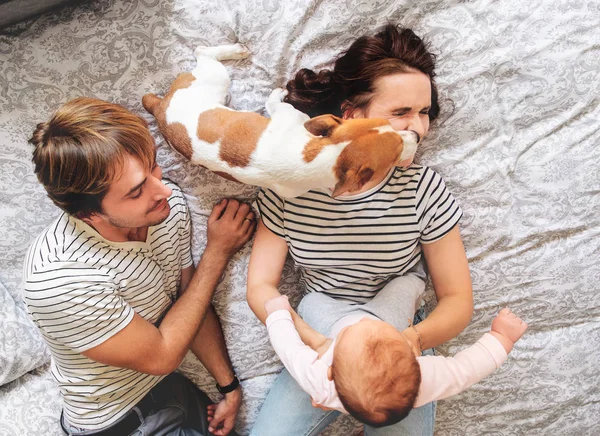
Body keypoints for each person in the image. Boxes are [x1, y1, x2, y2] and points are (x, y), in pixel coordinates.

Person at [247, 24, 473, 436]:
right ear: (352, 115)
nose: (418, 128)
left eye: (423, 112)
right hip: (323, 323)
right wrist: (316, 347)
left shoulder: (422, 188)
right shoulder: (288, 191)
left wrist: (410, 342)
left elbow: (457, 299)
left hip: (399, 329)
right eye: (401, 113)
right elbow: (261, 287)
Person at [24, 97, 255, 436]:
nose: (163, 190)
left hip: (171, 390)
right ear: (87, 213)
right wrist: (217, 252)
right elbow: (163, 353)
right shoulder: (58, 279)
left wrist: (229, 388)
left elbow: (189, 303)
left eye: (153, 167)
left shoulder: (166, 208)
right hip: (115, 421)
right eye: (135, 192)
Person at [263, 294, 527, 427]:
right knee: (408, 283)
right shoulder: (425, 379)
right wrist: (500, 337)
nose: (365, 319)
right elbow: (466, 370)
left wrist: (277, 314)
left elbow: (290, 348)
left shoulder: (321, 382)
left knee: (311, 301)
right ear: (415, 357)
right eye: (378, 326)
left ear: (330, 369)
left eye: (355, 330)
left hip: (328, 318)